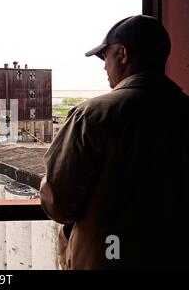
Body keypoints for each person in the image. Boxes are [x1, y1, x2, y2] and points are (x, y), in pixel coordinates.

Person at [39, 15, 189, 269]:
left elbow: (59, 203)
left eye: (105, 56)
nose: (103, 66)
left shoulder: (92, 116)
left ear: (122, 54)